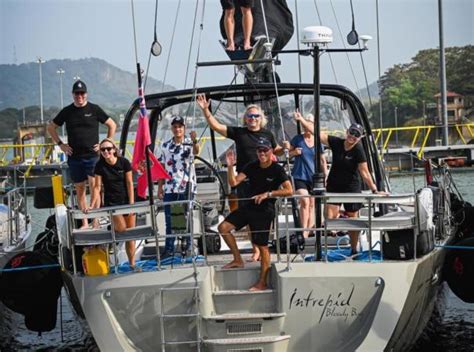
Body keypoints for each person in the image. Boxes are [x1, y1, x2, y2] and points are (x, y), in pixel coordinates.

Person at [196, 93, 285, 261]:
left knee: (265, 217)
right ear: (245, 119)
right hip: (245, 181)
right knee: (250, 217)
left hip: (265, 182)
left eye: (256, 116)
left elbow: (277, 149)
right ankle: (256, 249)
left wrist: (288, 148)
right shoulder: (239, 133)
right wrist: (206, 111)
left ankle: (262, 245)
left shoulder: (268, 135)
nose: (253, 118)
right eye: (249, 116)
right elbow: (217, 127)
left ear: (261, 118)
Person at [296, 119, 386, 255]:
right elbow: (317, 132)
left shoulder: (358, 150)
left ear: (360, 137)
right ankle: (328, 242)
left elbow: (365, 172)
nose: (352, 136)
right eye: (351, 132)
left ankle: (354, 248)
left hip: (352, 187)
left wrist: (374, 189)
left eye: (356, 134)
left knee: (353, 219)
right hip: (334, 184)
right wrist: (301, 119)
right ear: (347, 132)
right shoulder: (337, 142)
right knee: (329, 216)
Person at [219, 138, 292, 291]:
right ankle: (237, 259)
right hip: (249, 206)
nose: (262, 153)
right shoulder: (252, 166)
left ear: (271, 151)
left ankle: (262, 282)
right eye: (259, 150)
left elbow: (289, 190)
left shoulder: (277, 169)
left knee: (263, 246)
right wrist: (230, 167)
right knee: (223, 228)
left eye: (265, 150)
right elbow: (233, 183)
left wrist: (268, 194)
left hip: (265, 210)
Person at [47, 80, 116, 229]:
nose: (79, 96)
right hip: (75, 157)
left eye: (82, 93)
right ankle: (85, 222)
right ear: (73, 95)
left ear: (86, 94)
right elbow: (51, 127)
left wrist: (106, 142)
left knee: (95, 187)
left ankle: (95, 220)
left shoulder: (94, 109)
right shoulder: (67, 111)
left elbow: (112, 125)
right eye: (77, 93)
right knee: (80, 189)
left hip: (93, 156)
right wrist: (61, 144)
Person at [88, 138, 136, 268]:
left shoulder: (124, 162)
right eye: (103, 149)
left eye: (108, 149)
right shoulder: (99, 166)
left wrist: (131, 204)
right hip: (112, 204)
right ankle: (112, 231)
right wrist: (92, 205)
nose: (106, 151)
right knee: (122, 229)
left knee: (130, 236)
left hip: (126, 201)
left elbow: (129, 183)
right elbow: (97, 187)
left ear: (114, 149)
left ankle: (132, 264)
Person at [157, 116, 200, 258]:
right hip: (170, 187)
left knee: (186, 218)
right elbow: (162, 167)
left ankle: (188, 247)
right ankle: (169, 249)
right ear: (172, 129)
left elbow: (196, 151)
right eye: (175, 126)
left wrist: (194, 140)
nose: (178, 129)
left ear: (184, 128)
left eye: (180, 126)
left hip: (186, 186)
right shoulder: (165, 145)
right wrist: (160, 187)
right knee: (170, 220)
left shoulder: (189, 143)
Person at [286, 112, 328, 238]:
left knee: (312, 203)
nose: (306, 126)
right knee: (305, 200)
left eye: (309, 123)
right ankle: (303, 232)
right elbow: (287, 154)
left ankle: (309, 230)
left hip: (314, 177)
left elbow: (322, 160)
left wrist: (325, 176)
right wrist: (294, 152)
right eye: (305, 123)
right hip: (300, 176)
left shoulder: (318, 141)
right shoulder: (297, 139)